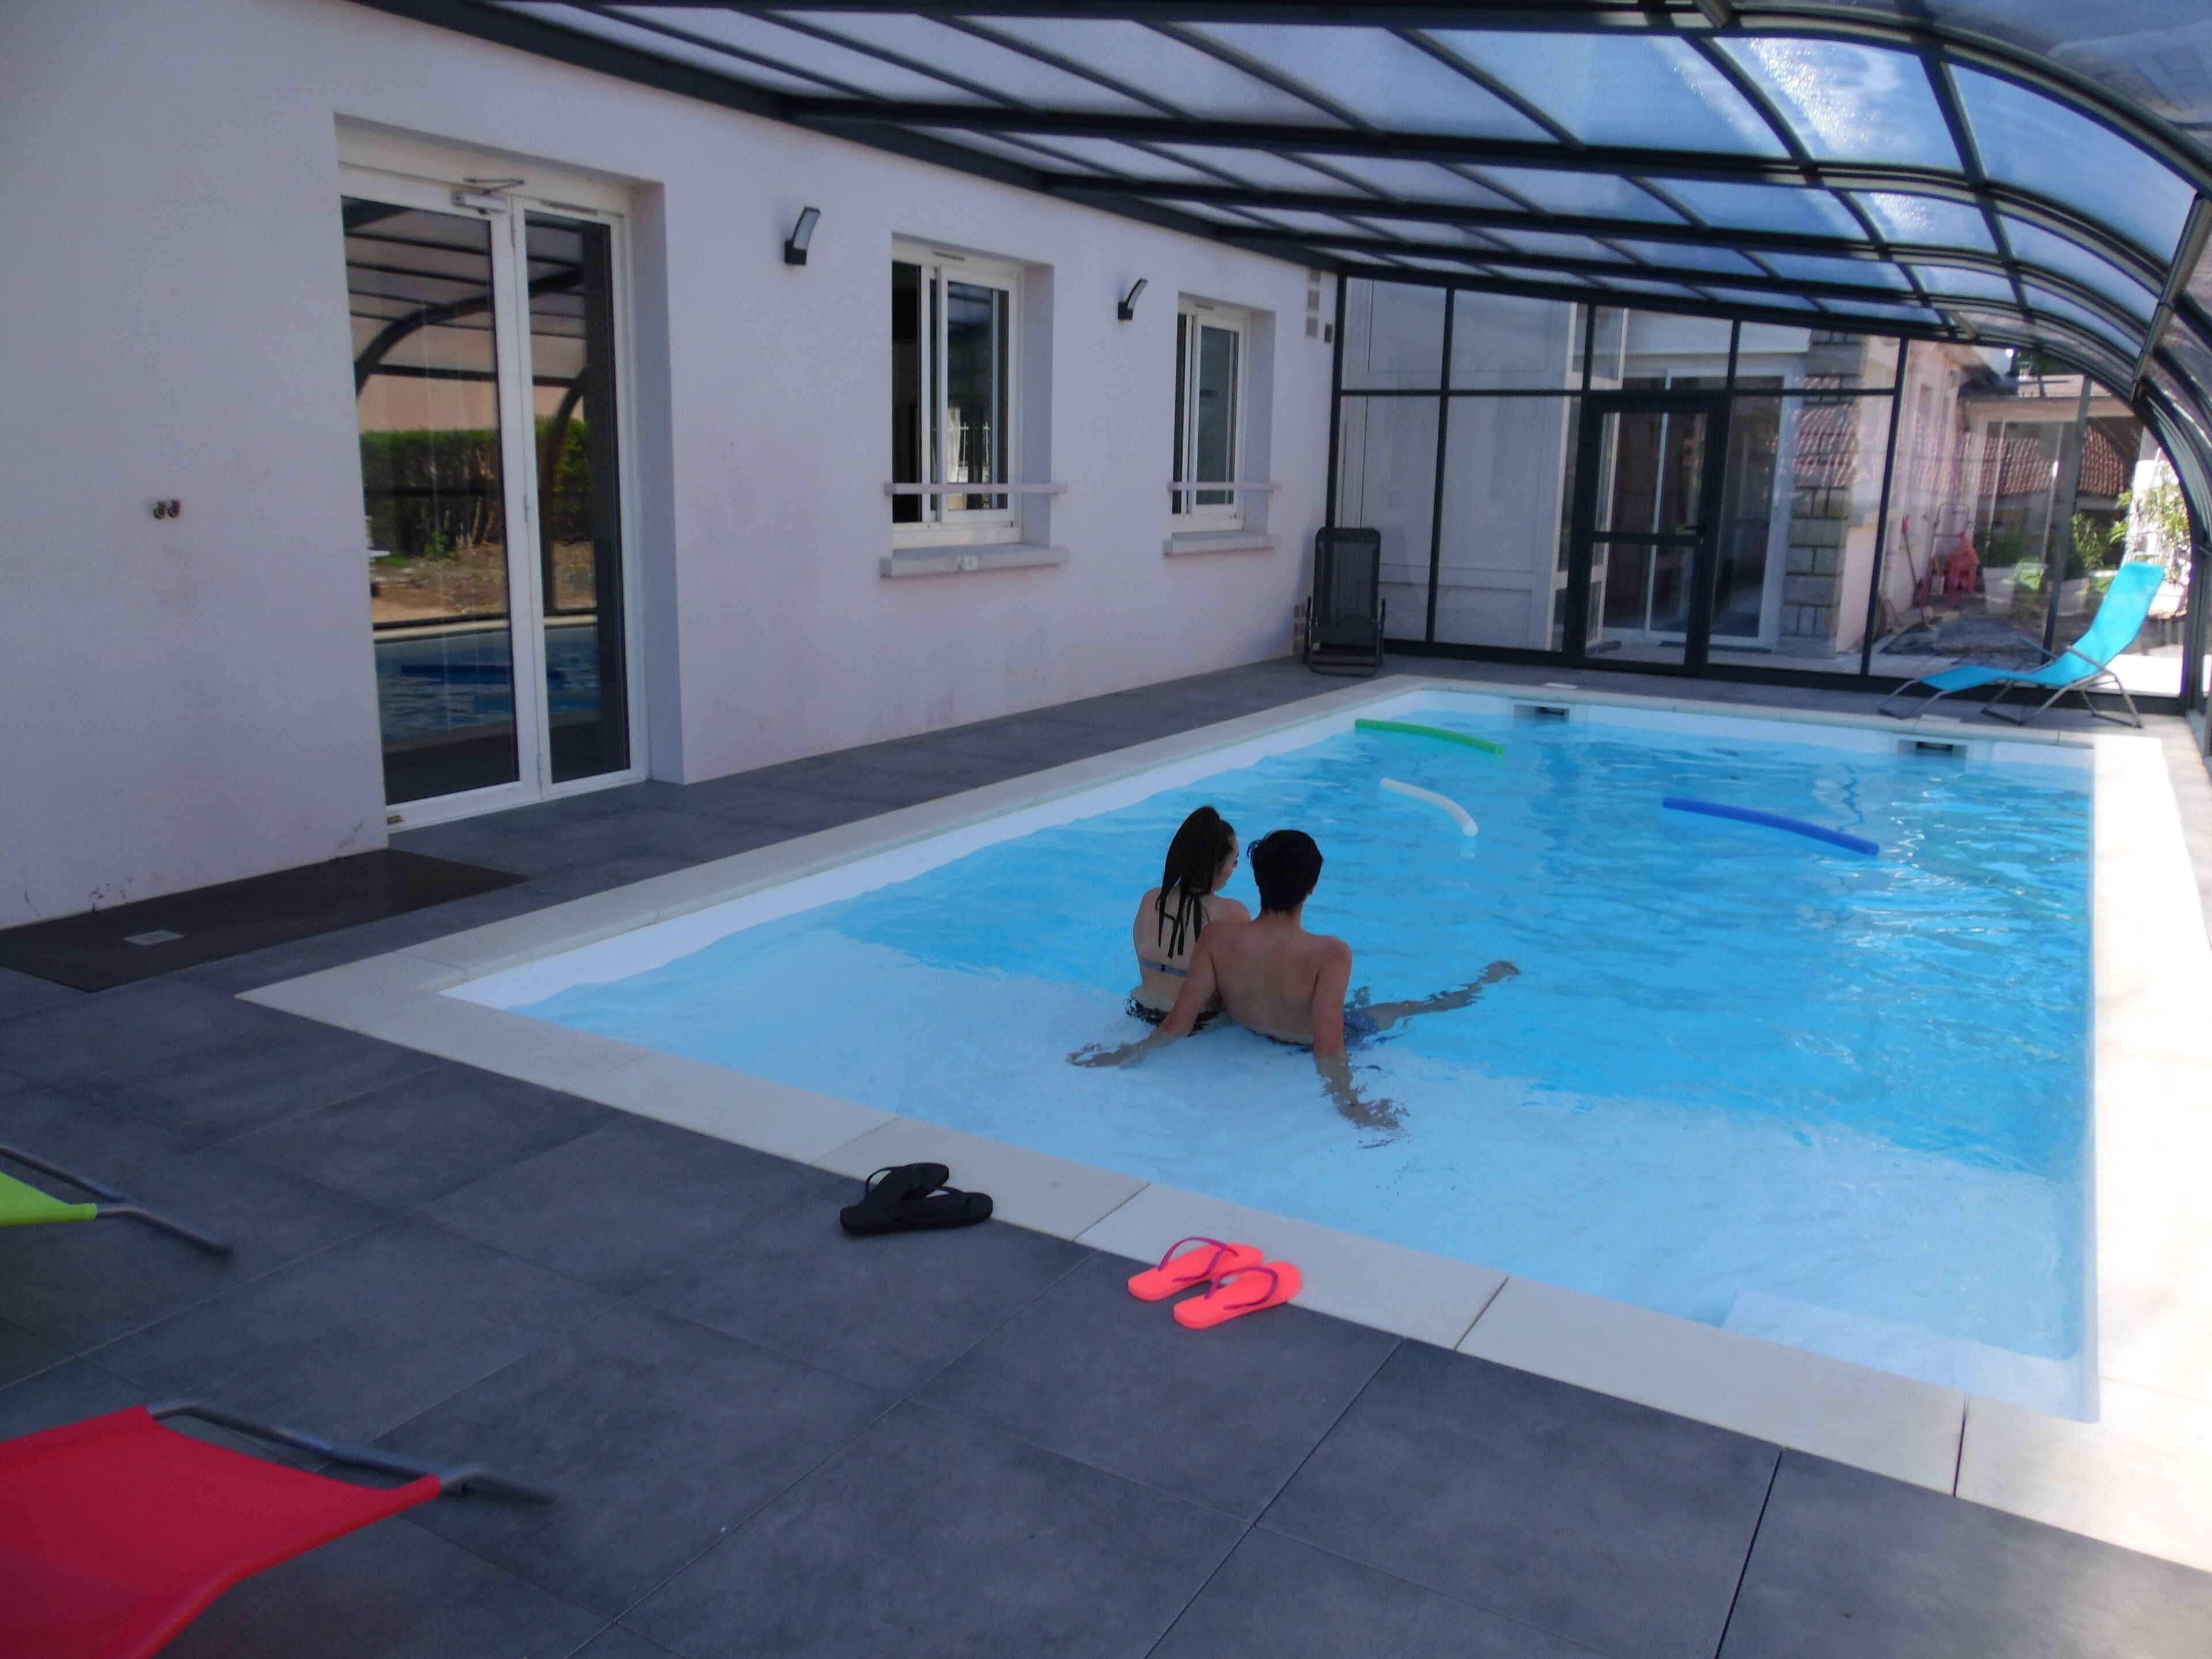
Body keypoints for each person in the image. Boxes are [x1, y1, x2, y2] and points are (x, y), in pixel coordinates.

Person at [1075, 828, 1517, 1131]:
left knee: (1358, 1002)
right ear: (1312, 888)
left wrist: (1127, 1053)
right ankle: (1484, 982)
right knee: (1408, 1008)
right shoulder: (1331, 953)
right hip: (1307, 1036)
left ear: (1259, 881)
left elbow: (1178, 1021)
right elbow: (1329, 1047)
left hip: (1252, 1027)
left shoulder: (1218, 938)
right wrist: (1353, 1106)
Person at [1128, 805, 1249, 1024]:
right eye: (1234, 861)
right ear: (1217, 866)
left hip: (1138, 1012)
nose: (1236, 867)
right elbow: (1241, 995)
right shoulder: (1232, 914)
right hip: (1196, 1026)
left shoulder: (1151, 900)